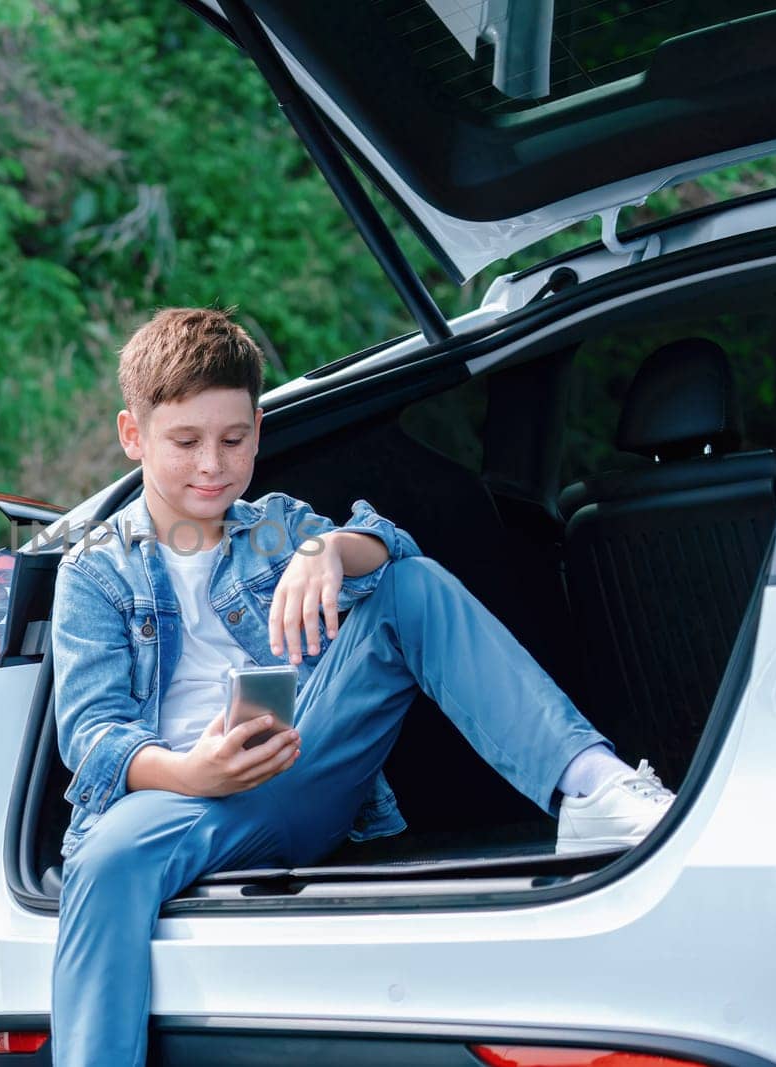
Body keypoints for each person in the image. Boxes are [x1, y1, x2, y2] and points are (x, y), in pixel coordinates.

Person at [48, 307, 675, 1067]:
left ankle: (592, 789)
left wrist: (331, 548)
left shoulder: (273, 527)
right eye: (185, 442)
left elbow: (397, 549)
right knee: (105, 859)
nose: (213, 464)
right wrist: (191, 772)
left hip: (305, 765)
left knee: (409, 586)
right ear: (133, 436)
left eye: (235, 439)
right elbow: (93, 734)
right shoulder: (94, 570)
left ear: (256, 431)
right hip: (176, 803)